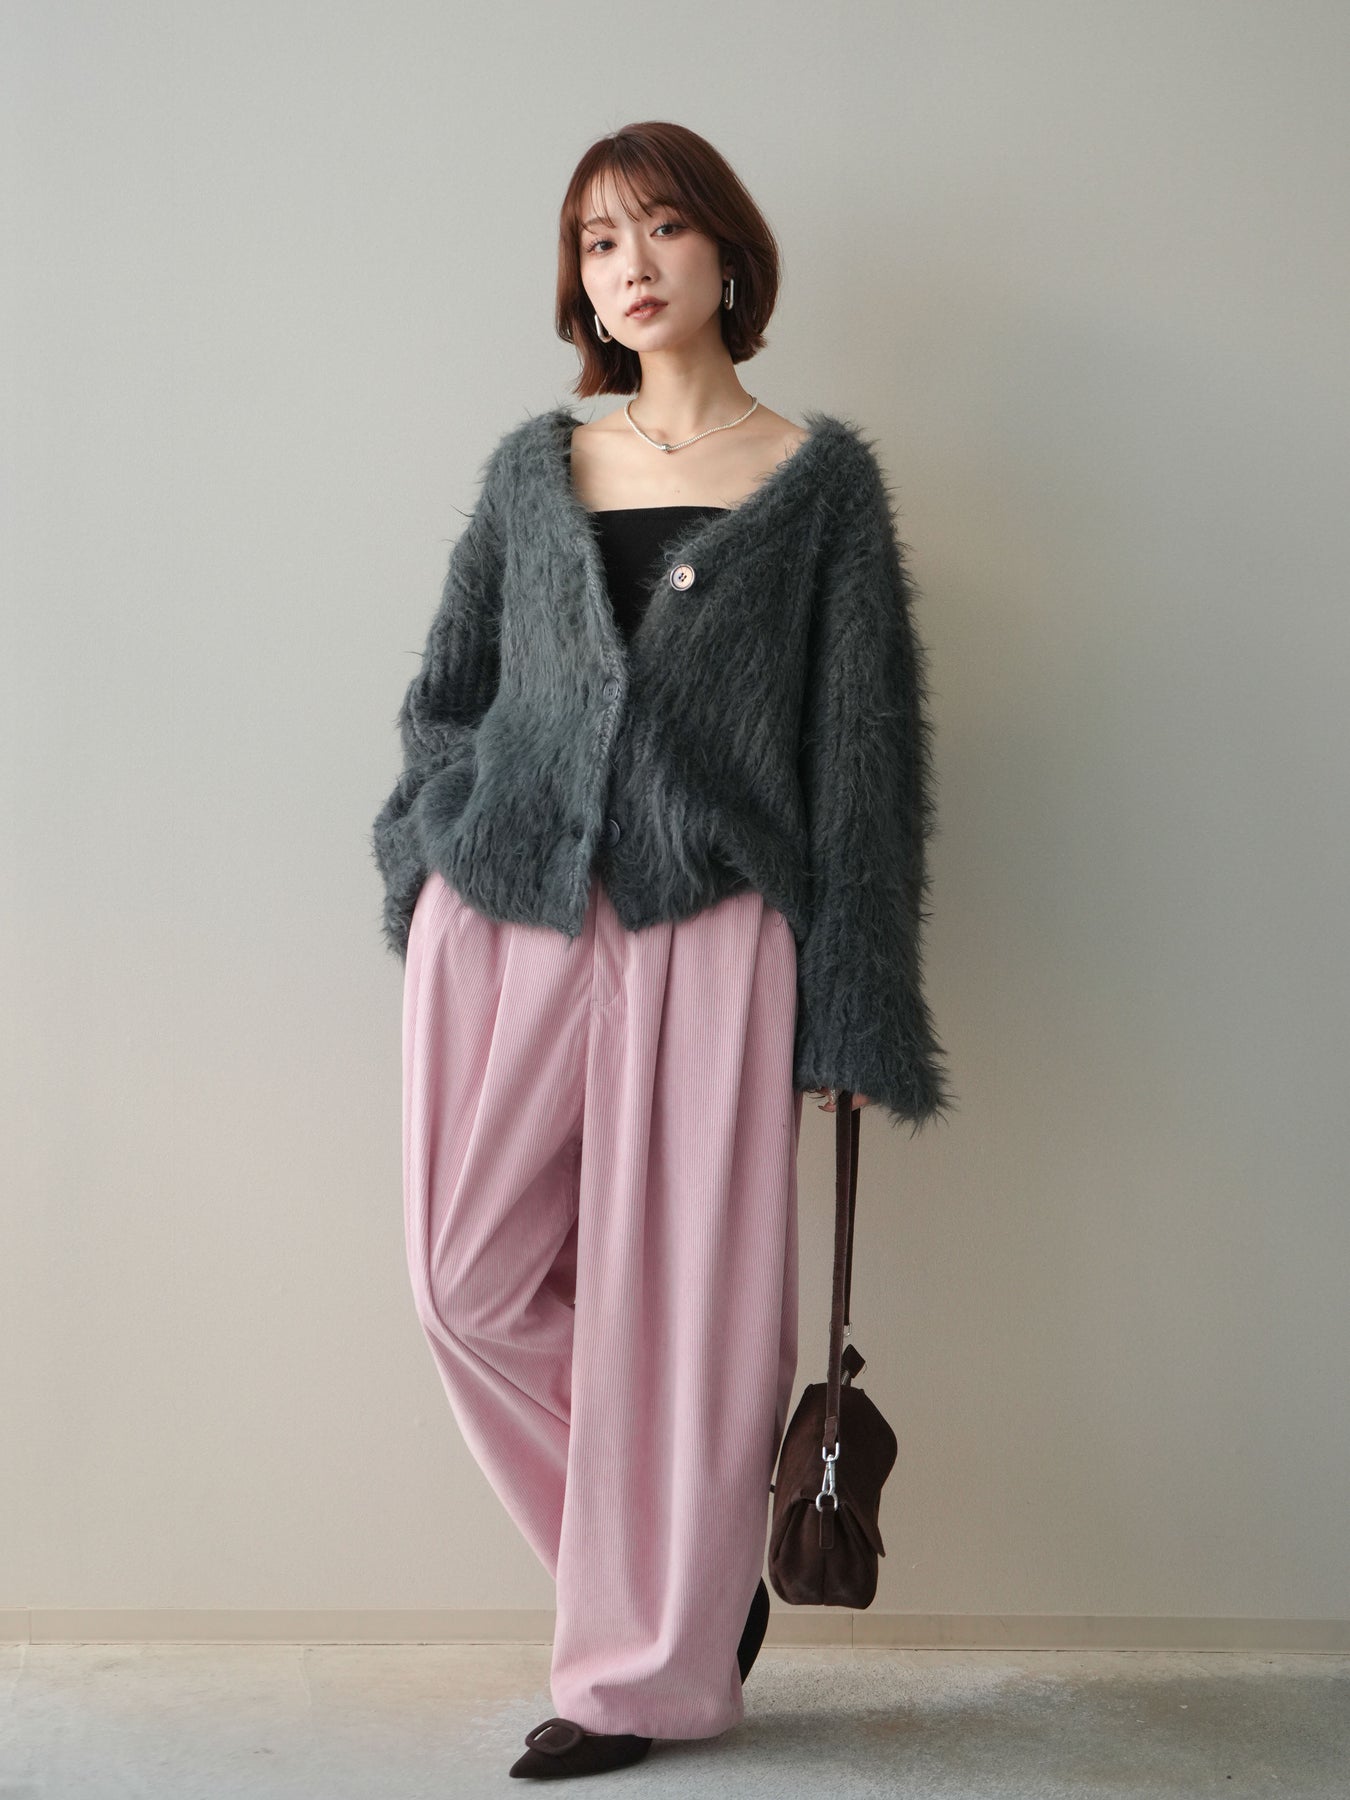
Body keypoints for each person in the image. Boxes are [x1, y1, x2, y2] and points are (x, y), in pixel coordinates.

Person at [371, 120, 954, 1781]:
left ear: (726, 254)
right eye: (597, 240)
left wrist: (851, 1003)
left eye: (661, 228)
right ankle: (689, 1584)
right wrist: (430, 856)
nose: (628, 265)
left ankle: (649, 1673)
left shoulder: (817, 484)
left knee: (684, 1316)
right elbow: (447, 696)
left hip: (715, 930)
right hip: (509, 916)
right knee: (462, 1284)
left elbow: (862, 762)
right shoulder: (532, 470)